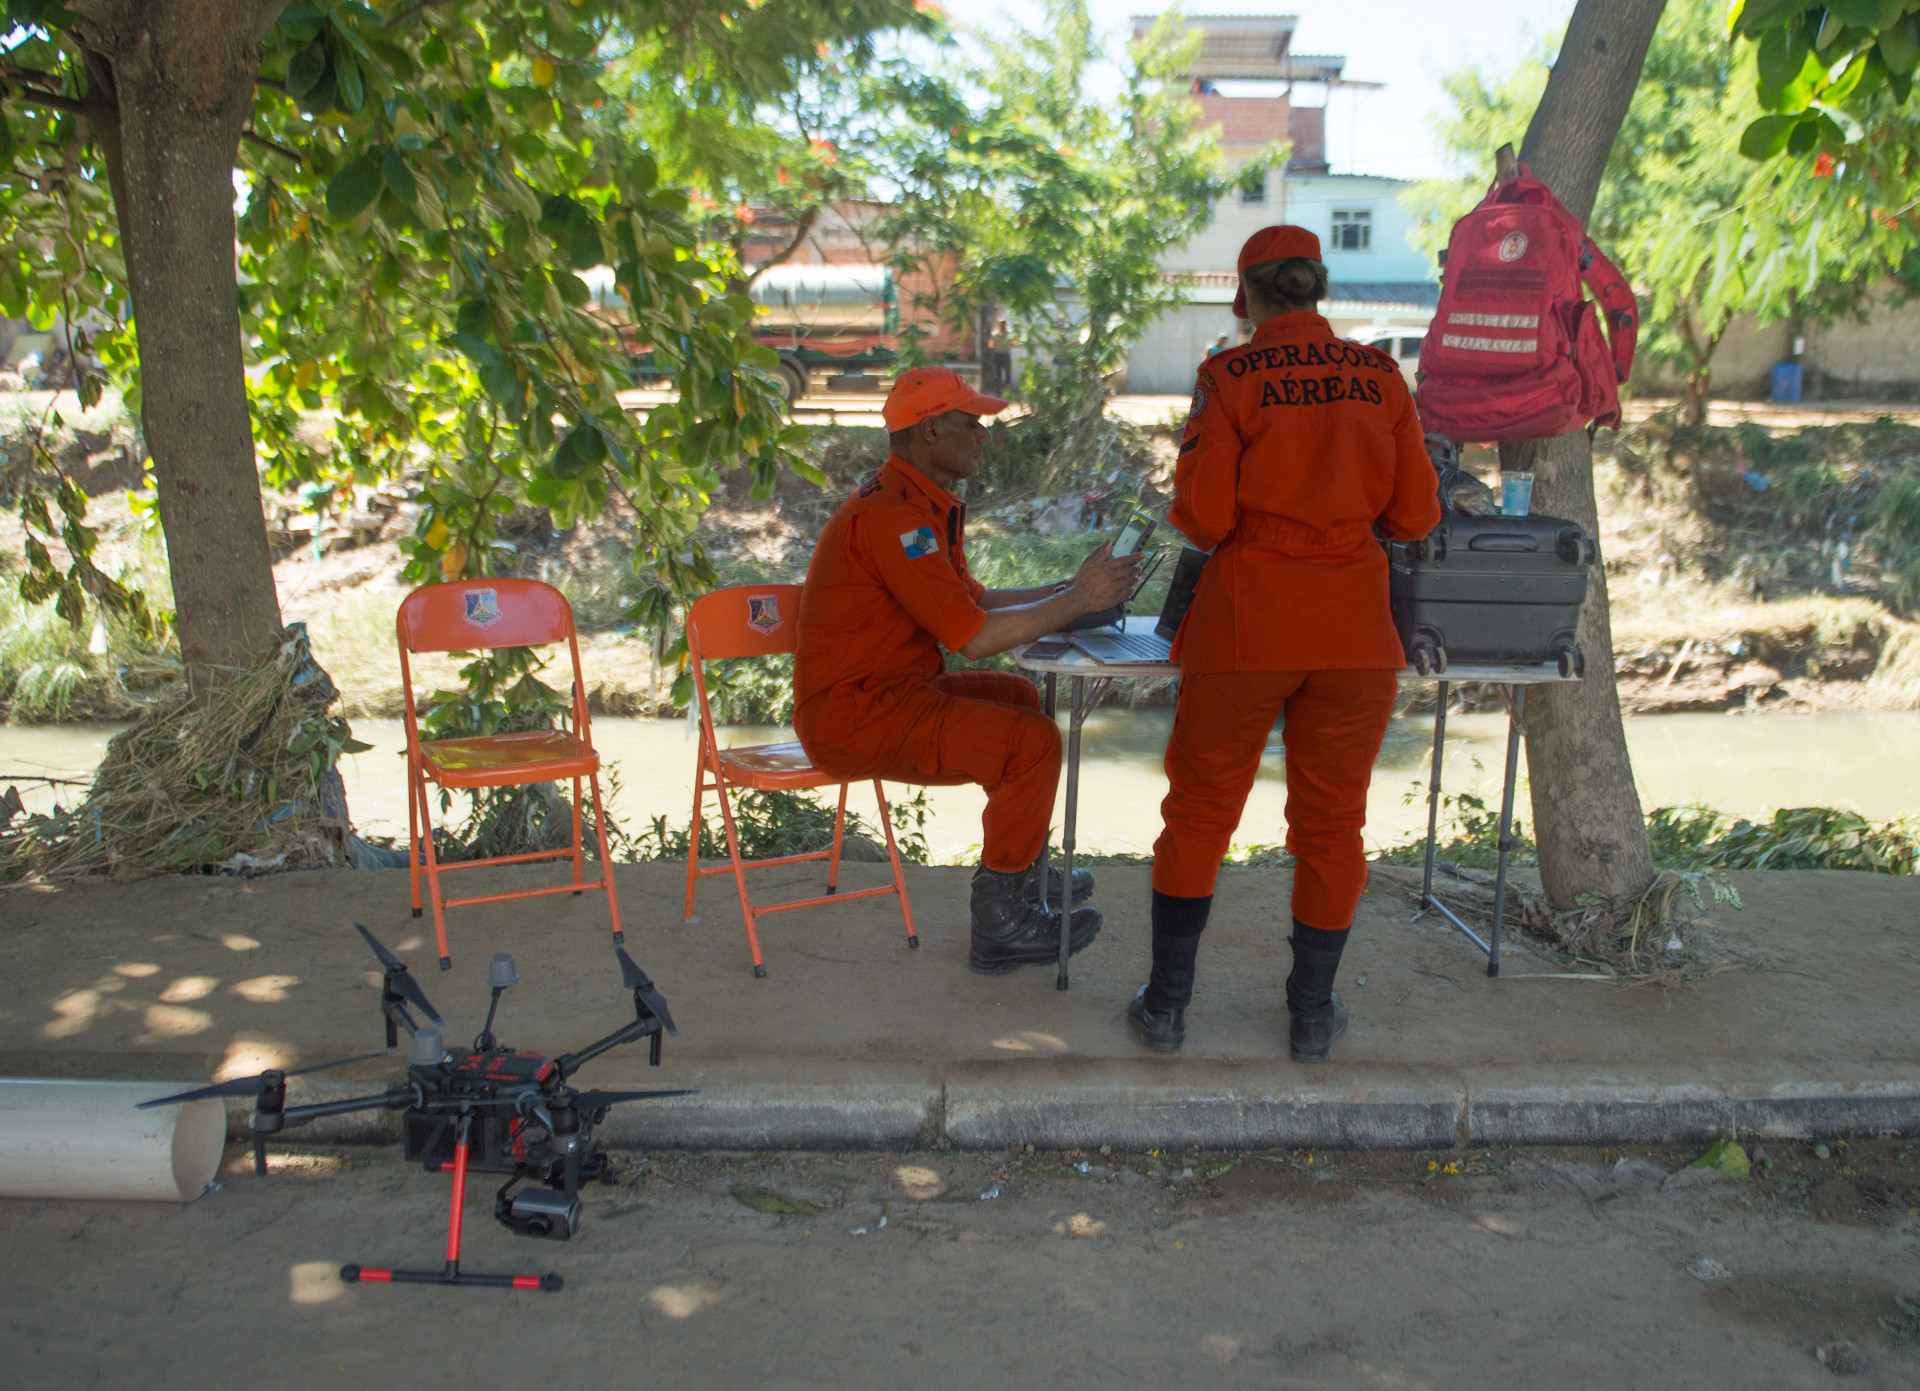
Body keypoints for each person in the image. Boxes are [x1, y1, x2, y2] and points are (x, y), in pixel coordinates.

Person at [1127, 227, 1440, 1060]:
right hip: (1354, 630)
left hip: (1248, 621)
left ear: (1247, 295)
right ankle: (1310, 1015)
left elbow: (1203, 517)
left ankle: (1165, 1008)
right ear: (1319, 288)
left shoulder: (1227, 376)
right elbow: (1415, 516)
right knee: (1334, 827)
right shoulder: (1381, 377)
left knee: (1198, 815)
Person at [793, 366, 1141, 973]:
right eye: (972, 422)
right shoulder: (896, 519)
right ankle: (1002, 920)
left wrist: (1069, 589)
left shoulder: (917, 504)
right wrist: (1076, 601)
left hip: (889, 693)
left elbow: (973, 602)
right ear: (930, 430)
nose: (984, 435)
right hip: (855, 716)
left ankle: (1021, 870)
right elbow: (975, 638)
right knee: (1030, 744)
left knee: (1018, 697)